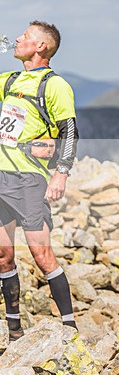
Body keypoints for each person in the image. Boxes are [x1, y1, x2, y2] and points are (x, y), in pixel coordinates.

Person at [0, 21, 80, 341]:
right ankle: (14, 332)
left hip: (29, 179)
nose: (18, 38)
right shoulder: (10, 80)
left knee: (42, 255)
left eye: (26, 36)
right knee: (3, 256)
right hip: (1, 178)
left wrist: (61, 173)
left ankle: (70, 330)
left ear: (40, 47)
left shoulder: (55, 85)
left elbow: (69, 132)